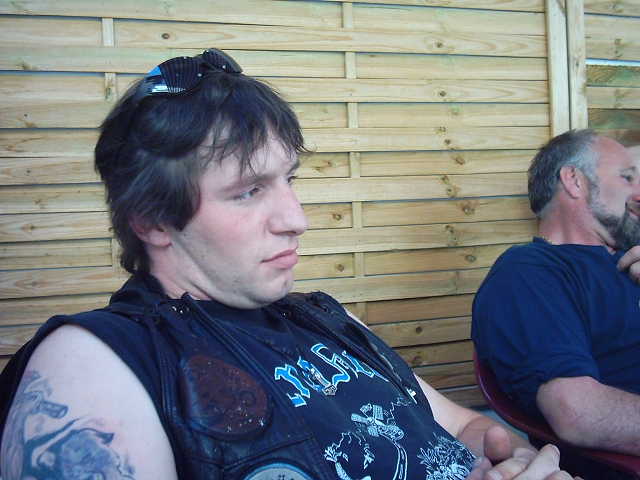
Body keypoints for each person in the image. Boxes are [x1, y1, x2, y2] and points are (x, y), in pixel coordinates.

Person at [0, 48, 575, 480]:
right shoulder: (99, 362)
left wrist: (516, 458)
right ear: (152, 221)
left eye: (289, 180)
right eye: (249, 191)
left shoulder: (325, 318)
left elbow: (466, 425)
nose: (296, 219)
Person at [472, 130, 640, 466]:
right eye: (627, 177)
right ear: (574, 181)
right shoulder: (529, 273)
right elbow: (578, 413)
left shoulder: (631, 259)